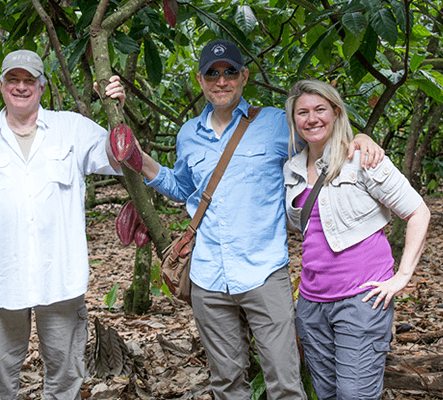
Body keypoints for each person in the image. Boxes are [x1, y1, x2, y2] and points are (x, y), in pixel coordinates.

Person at [138, 39, 384, 399]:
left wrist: (359, 137)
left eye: (229, 73)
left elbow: (321, 141)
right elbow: (182, 187)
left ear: (244, 77)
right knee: (226, 382)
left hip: (264, 273)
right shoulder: (188, 134)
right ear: (200, 80)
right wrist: (138, 157)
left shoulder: (274, 123)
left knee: (284, 382)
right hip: (208, 276)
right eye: (212, 74)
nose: (221, 81)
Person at [0, 49, 125, 400]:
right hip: (3, 280)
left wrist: (114, 107)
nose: (21, 87)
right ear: (1, 86)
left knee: (65, 374)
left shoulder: (70, 127)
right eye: (13, 79)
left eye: (29, 80)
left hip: (59, 278)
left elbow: (121, 157)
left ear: (42, 87)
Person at [283, 79, 430, 399]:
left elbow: (419, 212)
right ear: (294, 120)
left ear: (336, 112)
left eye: (320, 109)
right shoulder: (292, 168)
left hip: (361, 299)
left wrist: (402, 277)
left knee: (355, 395)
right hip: (311, 304)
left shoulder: (363, 157)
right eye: (303, 112)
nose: (312, 119)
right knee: (328, 394)